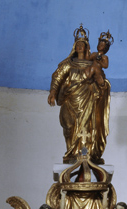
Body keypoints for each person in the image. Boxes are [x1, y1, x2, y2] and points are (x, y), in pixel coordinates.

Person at [48, 24, 111, 164]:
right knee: (69, 126)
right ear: (74, 47)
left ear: (87, 47)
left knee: (86, 127)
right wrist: (53, 91)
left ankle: (85, 153)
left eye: (83, 44)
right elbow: (57, 76)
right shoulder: (69, 64)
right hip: (69, 99)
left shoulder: (92, 65)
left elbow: (101, 81)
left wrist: (101, 89)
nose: (80, 46)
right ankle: (71, 152)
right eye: (78, 44)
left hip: (86, 100)